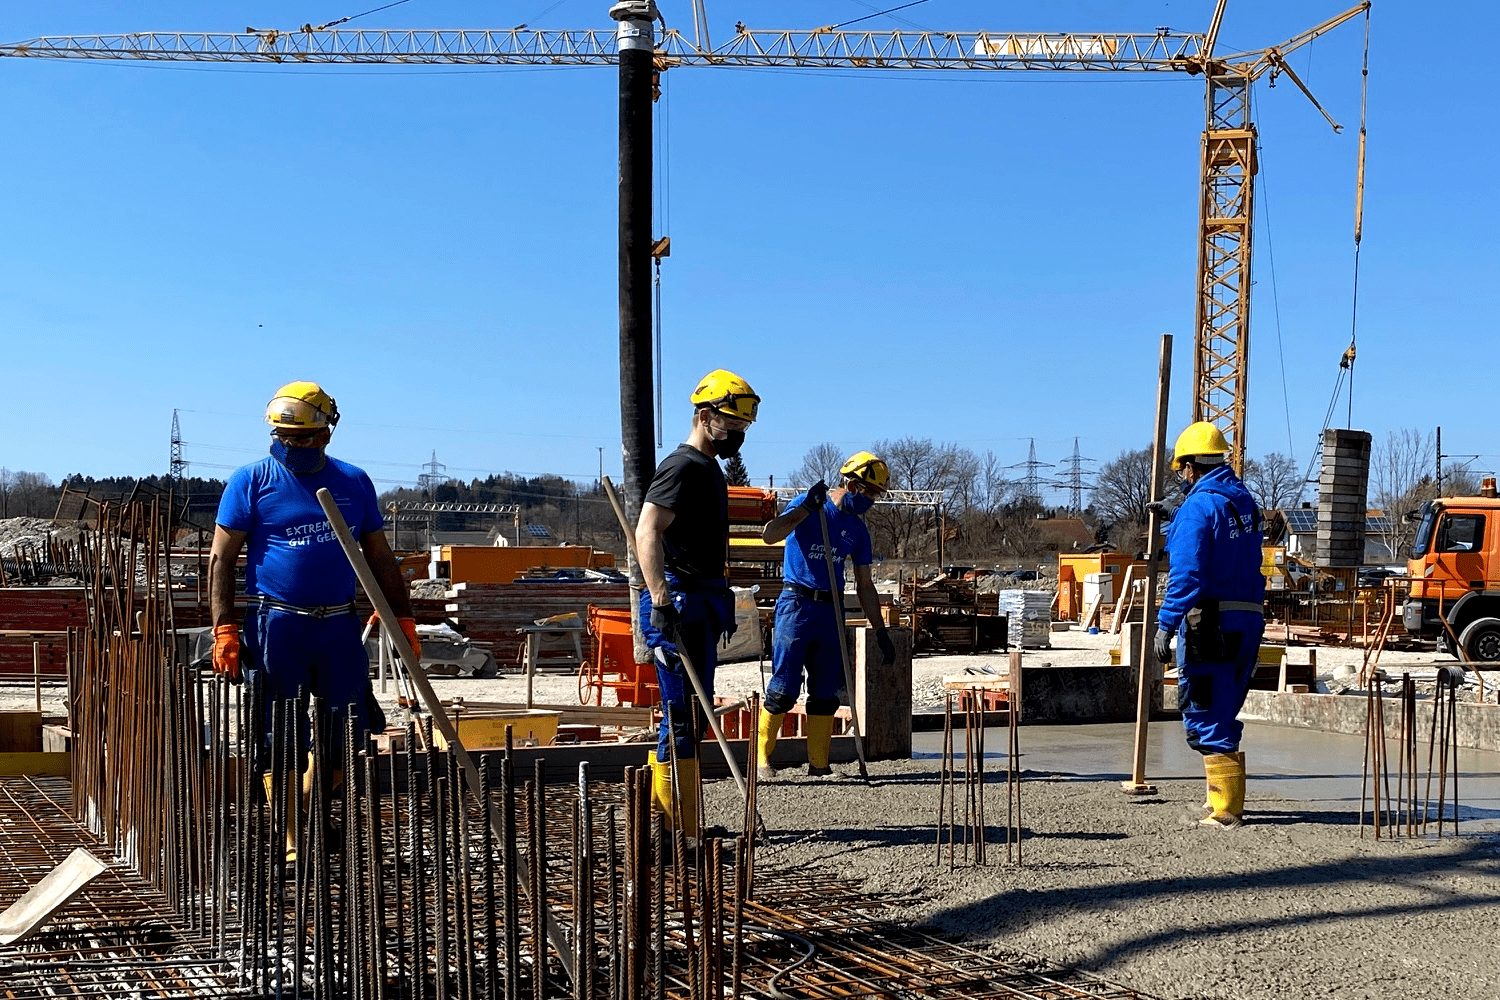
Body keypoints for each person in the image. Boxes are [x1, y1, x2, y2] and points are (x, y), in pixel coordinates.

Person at [209, 381, 415, 811]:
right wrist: (224, 628)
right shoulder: (251, 481)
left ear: (326, 432)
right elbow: (221, 560)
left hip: (339, 624)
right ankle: (289, 838)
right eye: (282, 437)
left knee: (349, 725)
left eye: (300, 437)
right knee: (277, 728)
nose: (290, 446)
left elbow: (379, 557)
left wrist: (403, 618)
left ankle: (309, 806)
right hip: (278, 623)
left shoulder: (353, 482)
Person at [635, 368, 760, 833]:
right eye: (731, 426)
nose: (737, 436)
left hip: (703, 602)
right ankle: (672, 830)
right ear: (705, 416)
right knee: (681, 719)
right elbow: (647, 531)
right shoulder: (682, 466)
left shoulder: (709, 469)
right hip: (680, 605)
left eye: (743, 428)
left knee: (694, 716)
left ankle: (680, 823)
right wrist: (662, 602)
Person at [1153, 422, 1266, 828]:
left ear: (1187, 468)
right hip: (1249, 618)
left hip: (1211, 622)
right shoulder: (1245, 503)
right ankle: (1220, 798)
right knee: (1225, 705)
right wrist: (1179, 513)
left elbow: (1188, 571)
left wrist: (1165, 624)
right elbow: (1229, 551)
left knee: (1203, 707)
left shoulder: (1199, 508)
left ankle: (1226, 812)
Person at [756, 451, 896, 778]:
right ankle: (762, 760)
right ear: (851, 484)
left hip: (831, 611)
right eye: (869, 493)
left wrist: (881, 630)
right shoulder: (812, 507)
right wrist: (806, 508)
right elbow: (770, 534)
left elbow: (864, 584)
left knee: (825, 691)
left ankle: (819, 764)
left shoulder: (857, 531)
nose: (871, 501)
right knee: (784, 688)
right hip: (797, 605)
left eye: (877, 496)